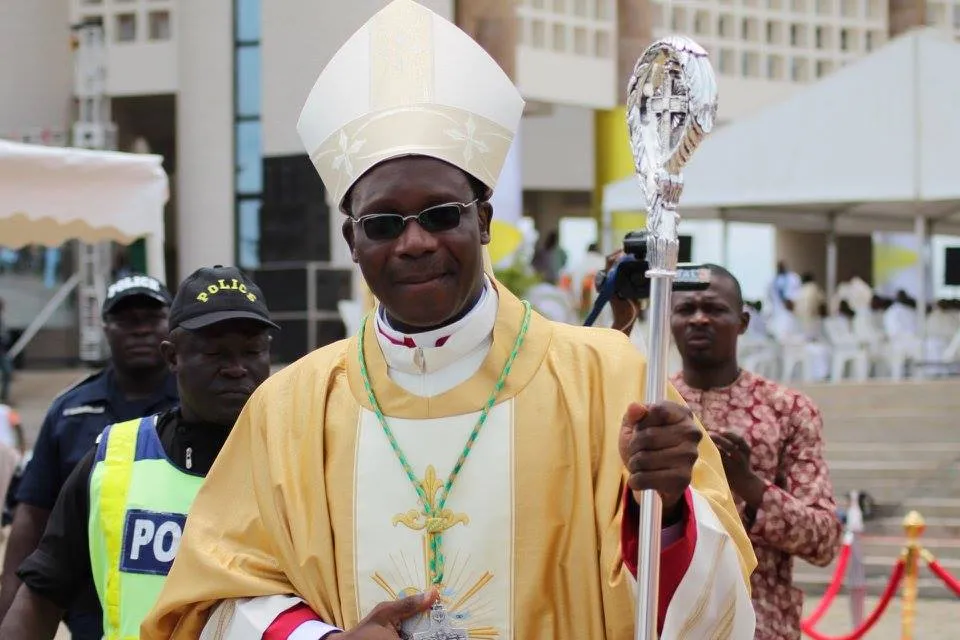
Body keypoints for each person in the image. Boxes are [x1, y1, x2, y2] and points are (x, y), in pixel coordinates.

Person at [143, 3, 757, 638]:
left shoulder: (607, 378)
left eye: (440, 214)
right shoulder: (289, 409)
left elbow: (715, 609)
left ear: (483, 221)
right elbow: (211, 595)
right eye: (383, 224)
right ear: (353, 242)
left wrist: (667, 511)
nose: (414, 243)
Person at [0, 265, 277, 639]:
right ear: (173, 356)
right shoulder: (112, 459)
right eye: (214, 352)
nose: (236, 368)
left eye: (252, 350)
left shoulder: (299, 458)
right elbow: (42, 588)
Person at [613, 264, 842, 639]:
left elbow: (824, 540)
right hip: (662, 618)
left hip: (762, 621)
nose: (700, 319)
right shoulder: (645, 406)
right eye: (686, 310)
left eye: (715, 309)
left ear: (743, 321)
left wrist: (750, 485)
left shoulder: (788, 410)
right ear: (669, 320)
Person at [0, 274, 178, 639]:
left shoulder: (194, 405)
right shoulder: (69, 410)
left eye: (152, 318)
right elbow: (32, 515)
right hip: (87, 606)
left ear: (171, 327)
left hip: (174, 599)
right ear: (106, 328)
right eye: (127, 320)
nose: (141, 330)